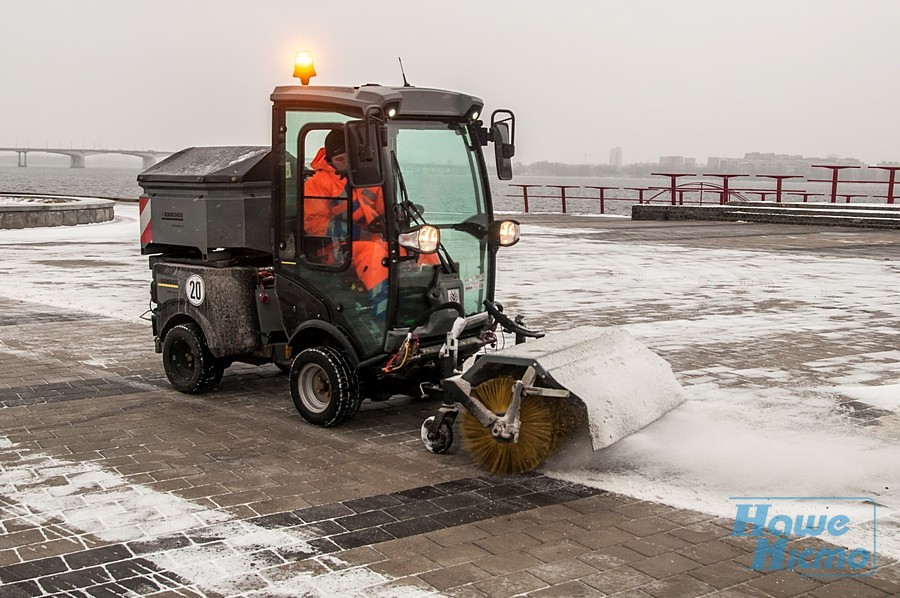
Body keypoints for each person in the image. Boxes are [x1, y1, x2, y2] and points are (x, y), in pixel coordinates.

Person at [303, 130, 391, 316]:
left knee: (415, 249)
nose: (345, 164)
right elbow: (313, 224)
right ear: (329, 158)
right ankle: (385, 315)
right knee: (374, 254)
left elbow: (383, 208)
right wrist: (354, 232)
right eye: (340, 159)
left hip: (372, 239)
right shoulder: (317, 184)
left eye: (348, 158)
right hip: (334, 247)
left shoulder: (367, 178)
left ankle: (440, 313)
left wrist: (393, 218)